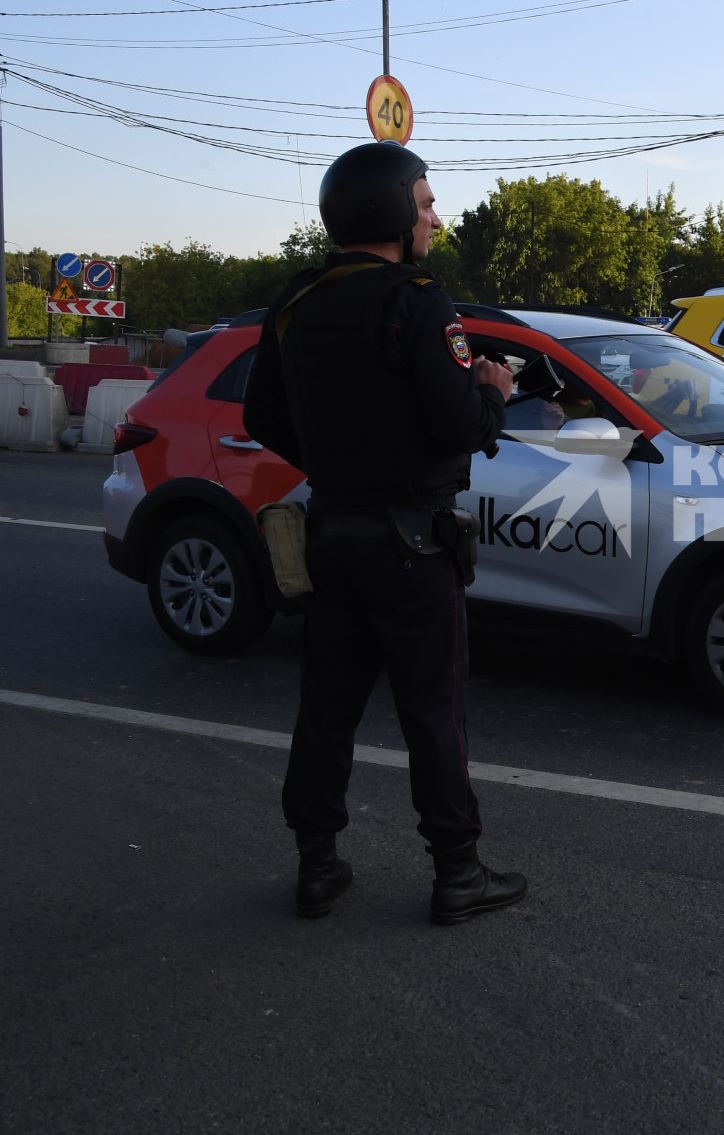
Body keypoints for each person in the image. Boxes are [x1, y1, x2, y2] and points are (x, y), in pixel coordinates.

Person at [243, 141, 528, 926]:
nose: (435, 216)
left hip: (330, 532)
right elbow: (458, 423)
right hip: (411, 545)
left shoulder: (296, 302)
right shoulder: (417, 300)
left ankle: (317, 865)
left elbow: (260, 415)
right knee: (433, 714)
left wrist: (341, 462)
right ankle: (458, 874)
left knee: (326, 708)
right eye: (427, 202)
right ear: (395, 211)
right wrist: (493, 391)